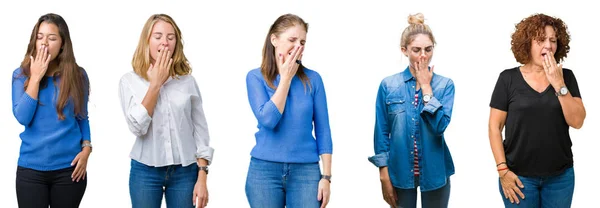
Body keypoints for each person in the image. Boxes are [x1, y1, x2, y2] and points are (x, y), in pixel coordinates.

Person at [488, 13, 586, 207]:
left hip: (560, 178)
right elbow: (494, 127)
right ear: (527, 44)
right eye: (541, 40)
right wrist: (502, 171)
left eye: (553, 40)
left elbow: (577, 122)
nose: (548, 45)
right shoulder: (507, 79)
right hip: (518, 177)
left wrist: (559, 84)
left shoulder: (566, 77)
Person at [118, 14, 213, 208]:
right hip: (145, 172)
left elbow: (201, 131)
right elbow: (137, 127)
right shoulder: (129, 81)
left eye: (171, 37)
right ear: (147, 40)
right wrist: (155, 84)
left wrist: (202, 175)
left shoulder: (187, 82)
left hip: (185, 172)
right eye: (158, 36)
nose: (165, 42)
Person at [244, 13, 333, 208]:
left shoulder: (313, 79)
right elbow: (268, 120)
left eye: (302, 42)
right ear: (274, 39)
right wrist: (285, 78)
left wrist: (326, 177)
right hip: (264, 172)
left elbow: (323, 130)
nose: (298, 47)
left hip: (306, 172)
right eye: (292, 40)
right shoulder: (255, 78)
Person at [368, 13, 455, 208]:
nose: (423, 55)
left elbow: (439, 126)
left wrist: (426, 88)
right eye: (416, 50)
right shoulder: (388, 85)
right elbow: (381, 132)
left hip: (435, 173)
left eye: (428, 49)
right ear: (404, 50)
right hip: (399, 173)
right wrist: (383, 175)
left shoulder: (445, 85)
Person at [12, 13, 91, 208]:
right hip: (31, 170)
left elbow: (82, 117)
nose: (44, 43)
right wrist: (36, 77)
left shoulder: (78, 75)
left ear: (63, 43)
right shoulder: (20, 75)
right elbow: (23, 117)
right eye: (40, 37)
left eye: (52, 38)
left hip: (70, 170)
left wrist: (87, 148)